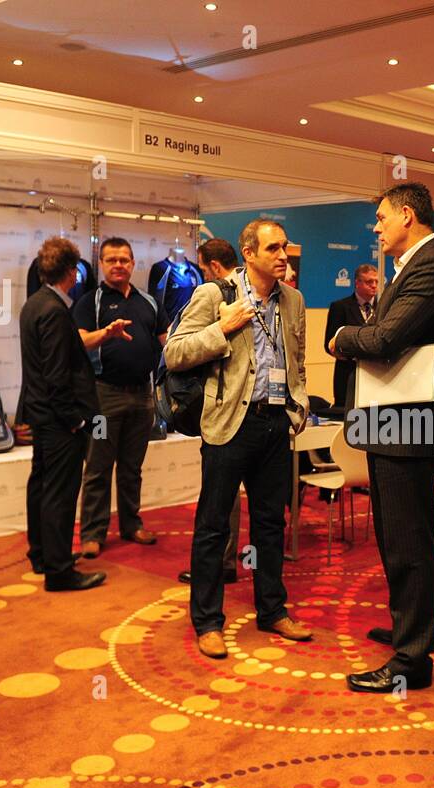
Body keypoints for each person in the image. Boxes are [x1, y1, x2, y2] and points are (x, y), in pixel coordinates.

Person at [326, 182, 434, 693]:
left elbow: (384, 339)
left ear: (408, 215)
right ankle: (410, 630)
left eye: (382, 217)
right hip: (391, 422)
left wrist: (340, 338)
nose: (376, 226)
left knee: (408, 542)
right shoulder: (410, 268)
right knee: (393, 536)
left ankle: (412, 659)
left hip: (409, 425)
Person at [163, 218, 312, 660]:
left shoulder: (294, 299)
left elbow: (296, 357)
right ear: (248, 254)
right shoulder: (215, 295)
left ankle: (272, 609)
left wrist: (297, 405)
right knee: (213, 527)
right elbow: (175, 352)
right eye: (273, 249)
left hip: (274, 425)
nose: (283, 256)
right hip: (229, 424)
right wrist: (222, 329)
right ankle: (208, 621)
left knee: (271, 524)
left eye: (284, 247)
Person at [20, 237, 125, 592]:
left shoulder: (36, 304)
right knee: (59, 494)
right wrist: (75, 420)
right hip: (58, 420)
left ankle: (44, 556)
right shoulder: (52, 309)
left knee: (42, 487)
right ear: (72, 271)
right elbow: (56, 374)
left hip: (43, 416)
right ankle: (59, 570)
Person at [75, 238, 171, 558]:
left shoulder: (150, 302)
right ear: (101, 264)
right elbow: (81, 342)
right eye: (111, 260)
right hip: (104, 398)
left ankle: (131, 525)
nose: (118, 265)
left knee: (132, 467)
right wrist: (107, 333)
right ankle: (92, 532)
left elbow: (167, 343)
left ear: (133, 264)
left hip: (142, 397)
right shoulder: (91, 302)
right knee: (99, 466)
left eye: (124, 260)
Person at [178, 238, 243, 584]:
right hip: (237, 414)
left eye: (203, 267)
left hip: (226, 413)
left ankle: (219, 564)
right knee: (227, 498)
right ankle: (226, 562)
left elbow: (176, 352)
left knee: (218, 499)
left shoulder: (211, 293)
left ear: (214, 266)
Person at [324, 264, 379, 408]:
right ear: (357, 283)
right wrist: (356, 354)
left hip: (377, 376)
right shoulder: (340, 307)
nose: (374, 286)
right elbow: (329, 344)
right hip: (347, 376)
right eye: (369, 282)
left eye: (376, 282)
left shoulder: (384, 307)